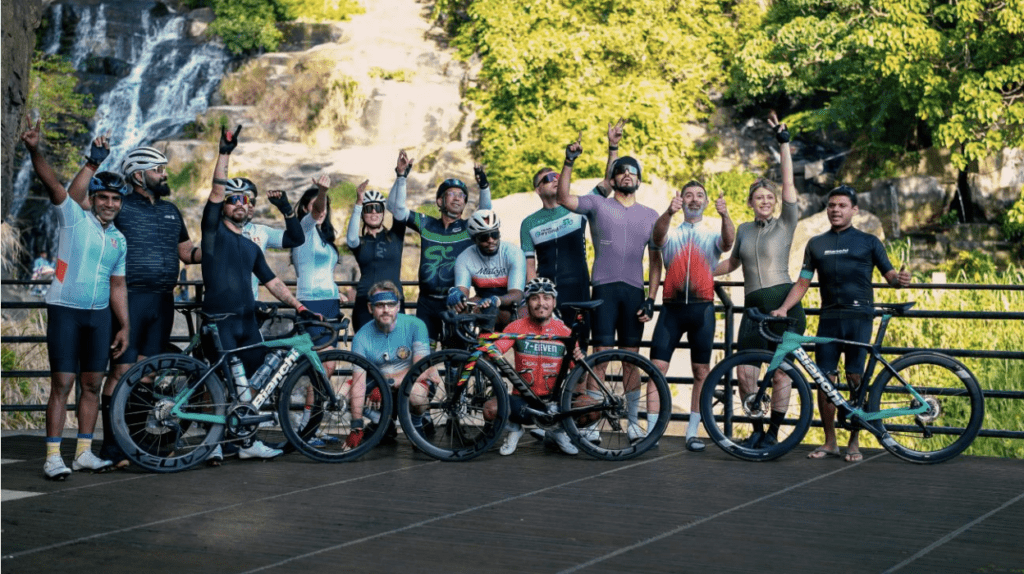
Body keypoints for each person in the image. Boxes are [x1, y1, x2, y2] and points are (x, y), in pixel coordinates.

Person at [201, 126, 323, 463]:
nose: (240, 204)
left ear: (253, 208)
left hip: (246, 320)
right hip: (220, 320)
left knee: (249, 385)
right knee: (223, 381)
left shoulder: (250, 244)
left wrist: (300, 306)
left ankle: (245, 441)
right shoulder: (212, 234)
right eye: (233, 199)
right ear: (224, 206)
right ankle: (212, 445)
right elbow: (215, 191)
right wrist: (225, 152)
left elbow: (273, 283)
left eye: (247, 200)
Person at [772, 185, 911, 462]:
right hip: (829, 319)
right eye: (832, 205)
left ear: (854, 210)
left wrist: (900, 281)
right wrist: (784, 308)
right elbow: (803, 281)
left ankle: (854, 441)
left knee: (855, 376)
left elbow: (890, 276)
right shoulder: (816, 244)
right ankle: (830, 441)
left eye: (842, 205)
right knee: (825, 380)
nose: (836, 209)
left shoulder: (869, 241)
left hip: (859, 318)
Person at [22, 120, 129, 478]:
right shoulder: (74, 219)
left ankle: (84, 451)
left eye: (116, 199)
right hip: (66, 312)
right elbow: (55, 184)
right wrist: (38, 150)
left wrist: (125, 325)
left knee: (91, 385)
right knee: (62, 385)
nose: (110, 203)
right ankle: (53, 456)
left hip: (98, 317)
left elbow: (117, 286)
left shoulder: (119, 241)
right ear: (93, 199)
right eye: (103, 197)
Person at [98, 142, 200, 466]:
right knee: (121, 371)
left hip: (163, 300)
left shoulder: (171, 210)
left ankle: (137, 442)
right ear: (139, 175)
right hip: (130, 298)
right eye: (158, 170)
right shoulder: (121, 208)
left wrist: (215, 251)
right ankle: (113, 449)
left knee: (148, 375)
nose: (164, 174)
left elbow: (186, 253)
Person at [555, 130, 661, 443]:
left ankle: (632, 421)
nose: (627, 175)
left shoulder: (651, 216)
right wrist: (569, 162)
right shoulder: (598, 205)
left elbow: (656, 263)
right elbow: (563, 198)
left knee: (631, 357)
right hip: (603, 289)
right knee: (599, 355)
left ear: (639, 181)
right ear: (612, 180)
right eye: (621, 171)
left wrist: (651, 298)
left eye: (633, 172)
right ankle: (590, 422)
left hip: (633, 292)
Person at [713, 113, 806, 448]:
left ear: (775, 202)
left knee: (780, 372)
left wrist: (784, 144)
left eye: (770, 197)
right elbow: (734, 263)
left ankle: (773, 433)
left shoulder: (785, 223)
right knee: (746, 372)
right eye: (759, 197)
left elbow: (790, 186)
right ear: (750, 203)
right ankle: (755, 427)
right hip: (753, 307)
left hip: (784, 303)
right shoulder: (743, 229)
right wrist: (703, 273)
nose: (765, 201)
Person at [649, 181, 735, 452]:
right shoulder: (672, 232)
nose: (694, 200)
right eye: (689, 195)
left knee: (701, 372)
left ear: (707, 202)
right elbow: (657, 237)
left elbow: (729, 241)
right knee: (655, 370)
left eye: (700, 196)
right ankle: (652, 431)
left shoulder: (711, 235)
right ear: (681, 200)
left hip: (702, 310)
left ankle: (692, 432)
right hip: (671, 310)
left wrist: (725, 215)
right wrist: (668, 212)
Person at [519, 119, 623, 319]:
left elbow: (609, 183)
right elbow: (529, 267)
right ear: (537, 189)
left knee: (580, 345)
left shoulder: (577, 207)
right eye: (548, 178)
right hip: (548, 294)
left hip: (579, 287)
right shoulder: (529, 223)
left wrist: (613, 146)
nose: (556, 179)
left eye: (557, 176)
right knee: (552, 346)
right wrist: (535, 296)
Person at [386, 150, 492, 344]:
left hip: (456, 303)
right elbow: (395, 209)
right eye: (451, 194)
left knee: (455, 359)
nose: (458, 198)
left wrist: (483, 186)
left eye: (462, 195)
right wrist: (401, 177)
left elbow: (485, 214)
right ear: (439, 201)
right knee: (423, 357)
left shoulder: (468, 227)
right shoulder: (427, 224)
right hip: (426, 303)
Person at [482, 277, 585, 456]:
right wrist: (486, 340)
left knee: (590, 408)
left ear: (554, 302)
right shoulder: (516, 326)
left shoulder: (564, 332)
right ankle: (515, 429)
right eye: (535, 298)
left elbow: (581, 378)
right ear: (527, 302)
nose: (541, 303)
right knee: (490, 409)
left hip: (554, 403)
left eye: (546, 297)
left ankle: (557, 432)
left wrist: (580, 361)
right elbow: (493, 354)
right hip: (522, 401)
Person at [351, 280, 431, 447]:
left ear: (398, 306)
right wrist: (356, 426)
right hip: (375, 386)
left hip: (406, 384)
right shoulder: (361, 336)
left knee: (417, 395)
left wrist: (385, 383)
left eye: (390, 304)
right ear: (370, 308)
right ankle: (383, 422)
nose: (386, 309)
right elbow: (358, 383)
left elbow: (421, 370)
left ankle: (416, 427)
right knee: (343, 394)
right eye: (380, 305)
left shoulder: (416, 326)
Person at [447, 209, 526, 331]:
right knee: (459, 313)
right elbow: (463, 294)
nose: (490, 240)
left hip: (511, 303)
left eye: (494, 235)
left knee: (511, 314)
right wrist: (457, 294)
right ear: (474, 239)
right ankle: (461, 349)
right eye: (484, 237)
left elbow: (517, 295)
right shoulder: (464, 257)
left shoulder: (513, 253)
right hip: (482, 301)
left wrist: (496, 300)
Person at [228, 178, 304, 300]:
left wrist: (286, 209)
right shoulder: (218, 230)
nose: (250, 205)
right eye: (244, 200)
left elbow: (296, 239)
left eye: (253, 201)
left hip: (250, 307)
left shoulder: (261, 231)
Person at [346, 179, 406, 332]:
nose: (374, 212)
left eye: (378, 208)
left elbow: (399, 208)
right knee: (364, 351)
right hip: (365, 301)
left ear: (383, 212)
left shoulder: (395, 235)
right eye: (369, 208)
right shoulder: (359, 242)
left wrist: (401, 177)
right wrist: (359, 203)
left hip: (393, 300)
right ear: (363, 213)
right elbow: (351, 238)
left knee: (397, 350)